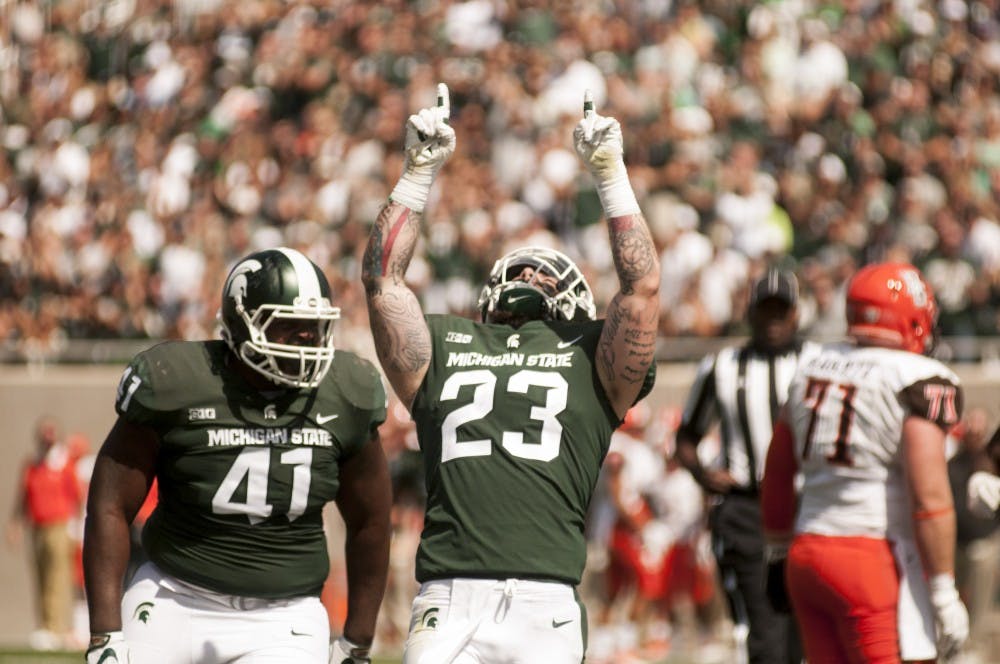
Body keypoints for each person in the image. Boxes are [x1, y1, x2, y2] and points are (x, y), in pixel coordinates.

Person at [361, 84, 660, 663]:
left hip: (535, 596)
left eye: (546, 274)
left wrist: (611, 173)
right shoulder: (454, 342)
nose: (534, 276)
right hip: (455, 593)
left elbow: (641, 288)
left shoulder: (591, 351)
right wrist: (415, 174)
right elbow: (383, 287)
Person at [82, 247, 392, 664]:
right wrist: (105, 633)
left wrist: (357, 641)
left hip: (284, 616)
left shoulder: (346, 391)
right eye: (289, 326)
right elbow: (109, 505)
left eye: (314, 327)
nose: (307, 340)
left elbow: (371, 520)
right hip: (173, 596)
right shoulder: (178, 382)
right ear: (240, 323)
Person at [761, 261, 969, 663]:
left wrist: (775, 551)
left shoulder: (810, 365)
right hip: (869, 558)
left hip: (806, 553)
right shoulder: (916, 376)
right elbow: (929, 496)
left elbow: (778, 471)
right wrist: (943, 589)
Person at [673, 267, 812, 664]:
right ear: (749, 312)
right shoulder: (721, 366)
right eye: (764, 311)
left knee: (808, 628)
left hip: (808, 509)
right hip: (746, 510)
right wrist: (702, 474)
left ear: (795, 314)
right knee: (764, 634)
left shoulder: (819, 362)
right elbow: (686, 438)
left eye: (780, 311)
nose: (772, 321)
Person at [6, 416, 83, 651]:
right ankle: (45, 626)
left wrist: (75, 526)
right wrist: (15, 524)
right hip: (37, 528)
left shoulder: (63, 463)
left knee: (57, 578)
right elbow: (23, 498)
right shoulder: (32, 465)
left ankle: (56, 628)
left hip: (59, 527)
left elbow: (77, 497)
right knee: (41, 577)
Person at [947, 408, 1000, 658]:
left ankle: (974, 650)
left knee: (978, 604)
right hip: (955, 543)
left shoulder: (989, 460)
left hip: (983, 543)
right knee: (951, 604)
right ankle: (955, 649)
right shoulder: (953, 462)